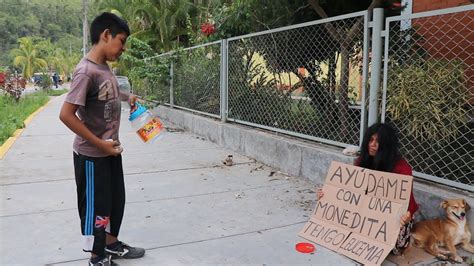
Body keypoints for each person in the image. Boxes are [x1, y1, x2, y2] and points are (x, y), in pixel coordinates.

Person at [59, 12, 145, 266]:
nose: (123, 48)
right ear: (105, 35)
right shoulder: (85, 71)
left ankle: (111, 243)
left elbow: (107, 93)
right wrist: (99, 144)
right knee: (96, 209)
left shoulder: (104, 67)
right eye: (121, 40)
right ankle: (97, 258)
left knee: (116, 200)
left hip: (110, 151)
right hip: (92, 155)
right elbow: (66, 114)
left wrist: (127, 97)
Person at [316, 122, 418, 255]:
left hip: (393, 216)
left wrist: (407, 216)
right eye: (370, 140)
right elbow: (349, 192)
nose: (372, 144)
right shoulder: (362, 161)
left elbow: (407, 203)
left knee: (395, 246)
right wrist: (328, 195)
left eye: (378, 142)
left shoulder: (402, 168)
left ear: (387, 146)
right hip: (365, 211)